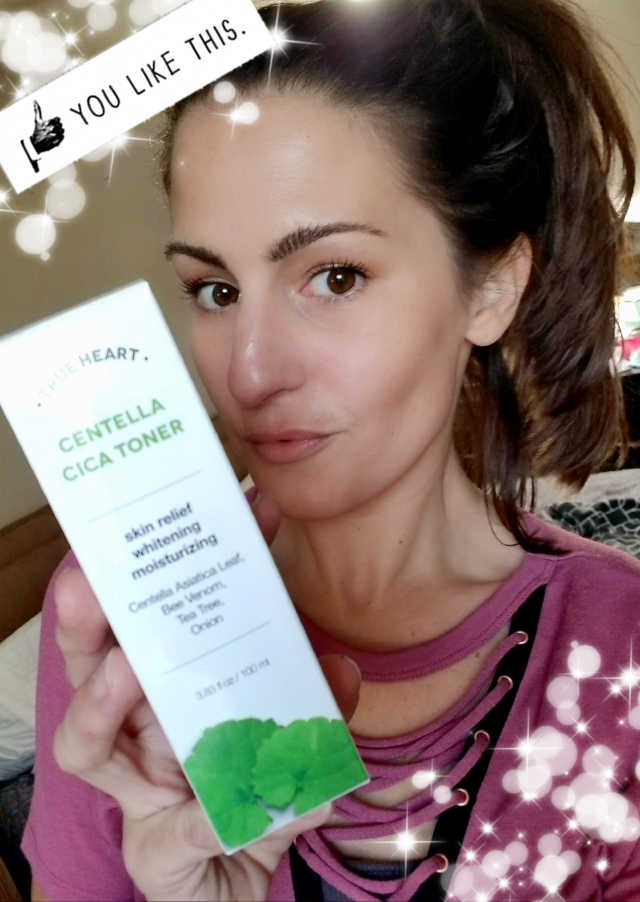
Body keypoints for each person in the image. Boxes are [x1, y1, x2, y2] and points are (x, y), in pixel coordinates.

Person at [20, 0, 640, 899]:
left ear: (492, 289)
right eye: (214, 289)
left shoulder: (620, 646)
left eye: (335, 276)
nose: (249, 373)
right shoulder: (125, 613)